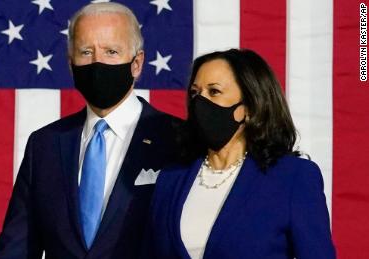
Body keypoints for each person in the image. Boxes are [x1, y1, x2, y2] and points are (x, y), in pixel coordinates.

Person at [0, 2, 181, 258]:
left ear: (137, 63)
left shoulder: (178, 139)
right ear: (71, 64)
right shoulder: (44, 145)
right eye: (86, 52)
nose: (97, 62)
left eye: (111, 51)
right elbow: (17, 248)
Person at [141, 49, 336, 259]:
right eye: (195, 93)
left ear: (249, 106)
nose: (200, 102)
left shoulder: (292, 177)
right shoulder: (171, 178)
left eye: (214, 91)